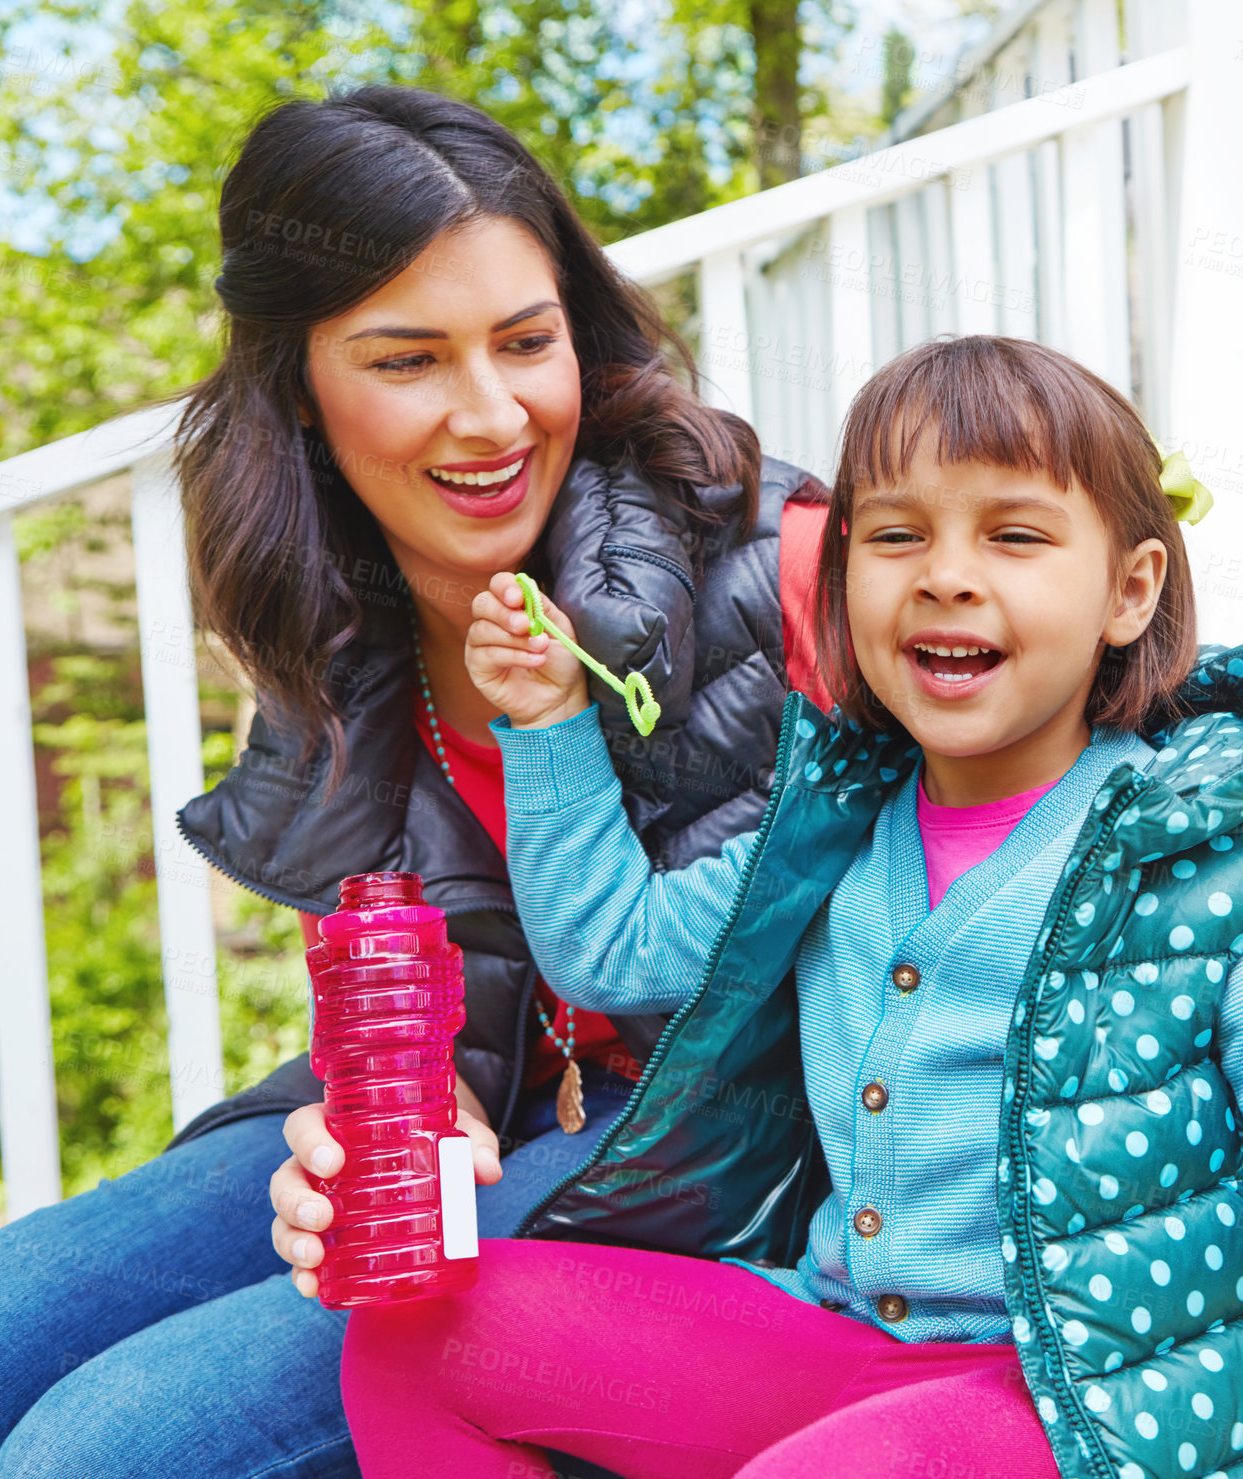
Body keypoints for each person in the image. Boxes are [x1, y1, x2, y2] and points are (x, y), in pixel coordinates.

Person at [0, 84, 832, 1478]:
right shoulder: (324, 612)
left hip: (726, 1129)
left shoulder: (792, 559)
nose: (490, 412)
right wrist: (372, 1110)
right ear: (301, 385)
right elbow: (396, 977)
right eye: (407, 358)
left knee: (104, 1448)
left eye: (526, 340)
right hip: (496, 1098)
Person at [341, 335, 1243, 1479]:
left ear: (1130, 590)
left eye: (1013, 536)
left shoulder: (1195, 844)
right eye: (898, 534)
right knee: (421, 1338)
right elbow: (609, 953)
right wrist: (548, 720)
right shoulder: (834, 826)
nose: (945, 575)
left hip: (1068, 1397)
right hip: (835, 1337)